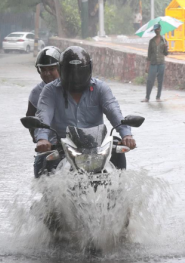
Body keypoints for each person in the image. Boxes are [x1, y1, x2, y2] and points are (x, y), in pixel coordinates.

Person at [34, 46, 136, 176]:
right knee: (41, 162)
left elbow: (113, 110)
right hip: (62, 146)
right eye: (71, 73)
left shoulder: (100, 88)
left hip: (97, 147)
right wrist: (42, 139)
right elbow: (43, 115)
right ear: (62, 70)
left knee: (118, 154)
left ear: (89, 69)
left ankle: (119, 192)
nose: (76, 77)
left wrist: (126, 135)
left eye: (79, 73)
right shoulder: (50, 90)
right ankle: (47, 195)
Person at [25, 46, 61, 177]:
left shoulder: (71, 87)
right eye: (43, 70)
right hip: (51, 146)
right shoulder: (36, 93)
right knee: (41, 168)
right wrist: (39, 140)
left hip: (74, 141)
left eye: (51, 69)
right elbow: (30, 117)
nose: (47, 73)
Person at [142, 23, 168, 102]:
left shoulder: (164, 41)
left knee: (160, 81)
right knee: (150, 80)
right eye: (155, 30)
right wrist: (147, 66)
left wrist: (166, 48)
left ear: (160, 29)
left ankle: (158, 97)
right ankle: (147, 97)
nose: (156, 31)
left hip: (161, 63)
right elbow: (149, 54)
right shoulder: (151, 41)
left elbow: (166, 54)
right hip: (153, 63)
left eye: (157, 29)